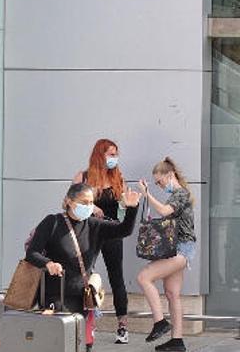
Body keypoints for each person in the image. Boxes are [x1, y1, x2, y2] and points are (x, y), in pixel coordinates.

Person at [26, 183, 141, 352]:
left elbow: (124, 230)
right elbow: (32, 253)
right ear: (69, 202)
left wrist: (132, 209)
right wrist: (48, 263)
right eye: (84, 202)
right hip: (55, 296)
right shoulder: (52, 222)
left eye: (91, 202)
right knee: (57, 344)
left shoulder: (95, 225)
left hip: (83, 299)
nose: (88, 206)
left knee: (83, 345)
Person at [73, 138, 131, 344]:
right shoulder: (84, 177)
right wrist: (91, 208)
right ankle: (88, 323)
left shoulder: (118, 178)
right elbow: (72, 204)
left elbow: (124, 207)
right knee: (85, 275)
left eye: (116, 154)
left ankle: (122, 325)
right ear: (100, 155)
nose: (114, 158)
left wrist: (127, 201)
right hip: (89, 233)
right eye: (111, 154)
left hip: (112, 232)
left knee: (117, 276)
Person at [136, 158, 197, 352]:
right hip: (177, 249)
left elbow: (163, 211)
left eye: (159, 182)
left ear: (169, 175)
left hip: (181, 249)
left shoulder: (180, 194)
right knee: (172, 294)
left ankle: (160, 322)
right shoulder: (178, 195)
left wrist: (147, 194)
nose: (159, 186)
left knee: (144, 277)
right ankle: (177, 341)